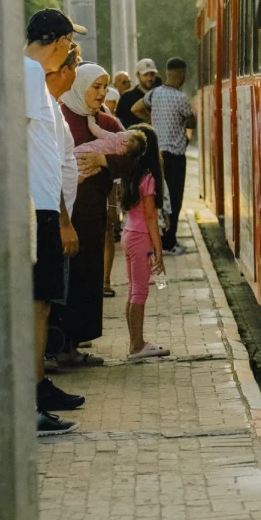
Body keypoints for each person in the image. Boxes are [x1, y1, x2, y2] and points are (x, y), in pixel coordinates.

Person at [24, 8, 83, 436]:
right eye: (67, 43)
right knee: (33, 306)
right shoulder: (26, 74)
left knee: (41, 304)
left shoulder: (35, 81)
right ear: (60, 41)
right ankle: (29, 400)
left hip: (42, 204)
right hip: (32, 207)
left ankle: (37, 390)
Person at [58, 63, 128, 366]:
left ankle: (73, 347)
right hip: (63, 217)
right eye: (95, 87)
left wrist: (104, 161)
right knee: (63, 282)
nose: (101, 93)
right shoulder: (59, 118)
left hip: (93, 216)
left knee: (86, 279)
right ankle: (57, 348)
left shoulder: (107, 123)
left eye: (104, 87)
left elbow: (136, 158)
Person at [134, 56, 195, 254]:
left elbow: (136, 108)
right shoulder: (181, 98)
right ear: (182, 74)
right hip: (175, 156)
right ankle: (170, 242)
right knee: (175, 198)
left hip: (157, 154)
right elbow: (191, 121)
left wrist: (151, 120)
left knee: (159, 197)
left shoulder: (154, 94)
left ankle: (157, 240)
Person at [119, 124, 170, 361]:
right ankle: (137, 345)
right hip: (141, 237)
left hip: (128, 234)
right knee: (140, 291)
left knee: (132, 290)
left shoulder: (129, 173)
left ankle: (134, 343)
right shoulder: (148, 177)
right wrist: (158, 247)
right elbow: (150, 216)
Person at [118, 57, 160, 130]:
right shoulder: (126, 98)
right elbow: (120, 123)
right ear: (138, 75)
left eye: (152, 74)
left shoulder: (161, 96)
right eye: (146, 74)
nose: (149, 78)